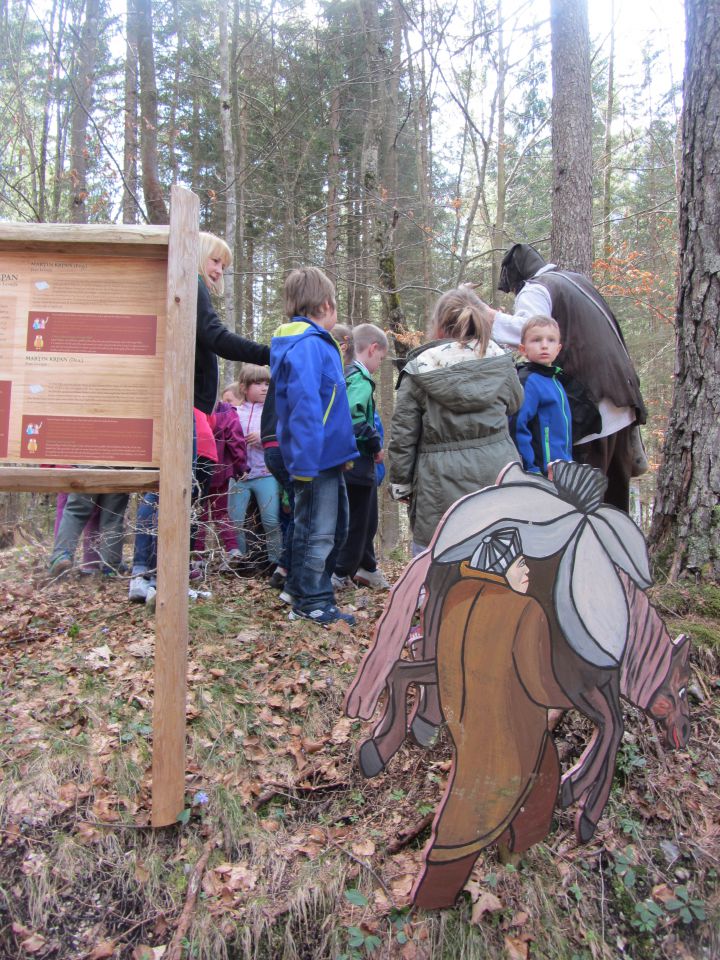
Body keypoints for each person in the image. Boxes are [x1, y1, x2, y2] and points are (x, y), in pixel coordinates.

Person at [127, 231, 270, 604]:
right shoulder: (189, 283)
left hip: (192, 408)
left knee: (185, 490)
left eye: (224, 265)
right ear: (197, 256)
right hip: (182, 407)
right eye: (215, 261)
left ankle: (168, 578)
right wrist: (267, 353)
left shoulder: (188, 289)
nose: (219, 270)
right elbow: (214, 335)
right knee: (165, 490)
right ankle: (144, 575)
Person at [488, 243, 647, 510]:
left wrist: (489, 317)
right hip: (623, 404)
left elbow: (527, 331)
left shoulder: (536, 289)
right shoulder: (578, 281)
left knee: (581, 514)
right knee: (614, 514)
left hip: (590, 414)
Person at [388, 286, 523, 554]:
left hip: (439, 481)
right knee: (500, 557)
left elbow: (403, 436)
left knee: (439, 561)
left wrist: (402, 486)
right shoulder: (500, 362)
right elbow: (515, 404)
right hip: (498, 471)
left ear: (438, 326)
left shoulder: (419, 371)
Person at [270, 266, 358, 625]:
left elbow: (329, 404)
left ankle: (298, 587)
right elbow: (305, 403)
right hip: (313, 459)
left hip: (328, 457)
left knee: (335, 527)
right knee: (317, 530)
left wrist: (344, 452)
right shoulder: (308, 345)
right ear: (325, 305)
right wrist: (306, 462)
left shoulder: (316, 344)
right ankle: (313, 602)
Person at [332, 323, 389, 590]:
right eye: (381, 358)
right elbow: (354, 417)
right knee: (360, 524)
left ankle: (348, 571)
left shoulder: (344, 373)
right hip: (358, 461)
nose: (379, 364)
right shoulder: (361, 378)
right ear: (372, 349)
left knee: (354, 520)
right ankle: (339, 574)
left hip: (345, 460)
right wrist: (376, 444)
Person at [227, 364, 282, 572]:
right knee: (235, 521)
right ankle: (240, 562)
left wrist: (263, 437)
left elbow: (281, 437)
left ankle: (275, 562)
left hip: (266, 474)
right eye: (258, 383)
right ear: (244, 387)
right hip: (239, 476)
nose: (264, 388)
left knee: (271, 520)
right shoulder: (235, 413)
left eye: (267, 383)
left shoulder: (273, 413)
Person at [510, 316, 572, 475]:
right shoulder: (527, 381)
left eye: (551, 340)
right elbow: (517, 427)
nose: (544, 346)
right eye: (536, 340)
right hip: (539, 473)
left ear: (558, 349)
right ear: (523, 349)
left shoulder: (555, 380)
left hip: (562, 469)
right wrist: (530, 469)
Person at [193, 398, 247, 570]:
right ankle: (232, 549)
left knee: (198, 511)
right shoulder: (227, 412)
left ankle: (197, 556)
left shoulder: (198, 406)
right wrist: (241, 466)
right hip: (221, 469)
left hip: (200, 466)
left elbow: (235, 439)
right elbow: (237, 440)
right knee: (220, 513)